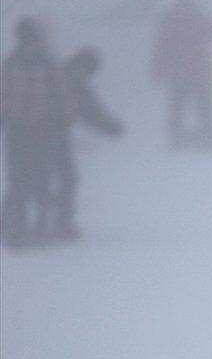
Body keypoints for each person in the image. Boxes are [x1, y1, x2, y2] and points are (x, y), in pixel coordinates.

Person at [0, 18, 66, 244]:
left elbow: (60, 95)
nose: (29, 42)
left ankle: (41, 226)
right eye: (24, 37)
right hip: (17, 130)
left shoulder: (49, 65)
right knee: (17, 180)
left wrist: (56, 119)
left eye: (32, 37)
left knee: (41, 179)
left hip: (43, 130)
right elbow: (3, 94)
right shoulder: (10, 64)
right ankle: (18, 228)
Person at [49, 47, 124, 241]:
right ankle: (59, 223)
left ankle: (22, 223)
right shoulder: (72, 83)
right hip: (53, 136)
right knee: (65, 179)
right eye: (89, 71)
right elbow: (89, 111)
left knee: (33, 180)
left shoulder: (55, 75)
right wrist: (109, 127)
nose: (87, 76)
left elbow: (88, 110)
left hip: (31, 135)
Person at [151, 0, 212, 146]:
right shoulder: (192, 18)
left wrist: (157, 69)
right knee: (193, 103)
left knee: (183, 103)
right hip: (192, 70)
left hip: (184, 70)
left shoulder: (172, 20)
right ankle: (201, 132)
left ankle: (183, 133)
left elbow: (160, 47)